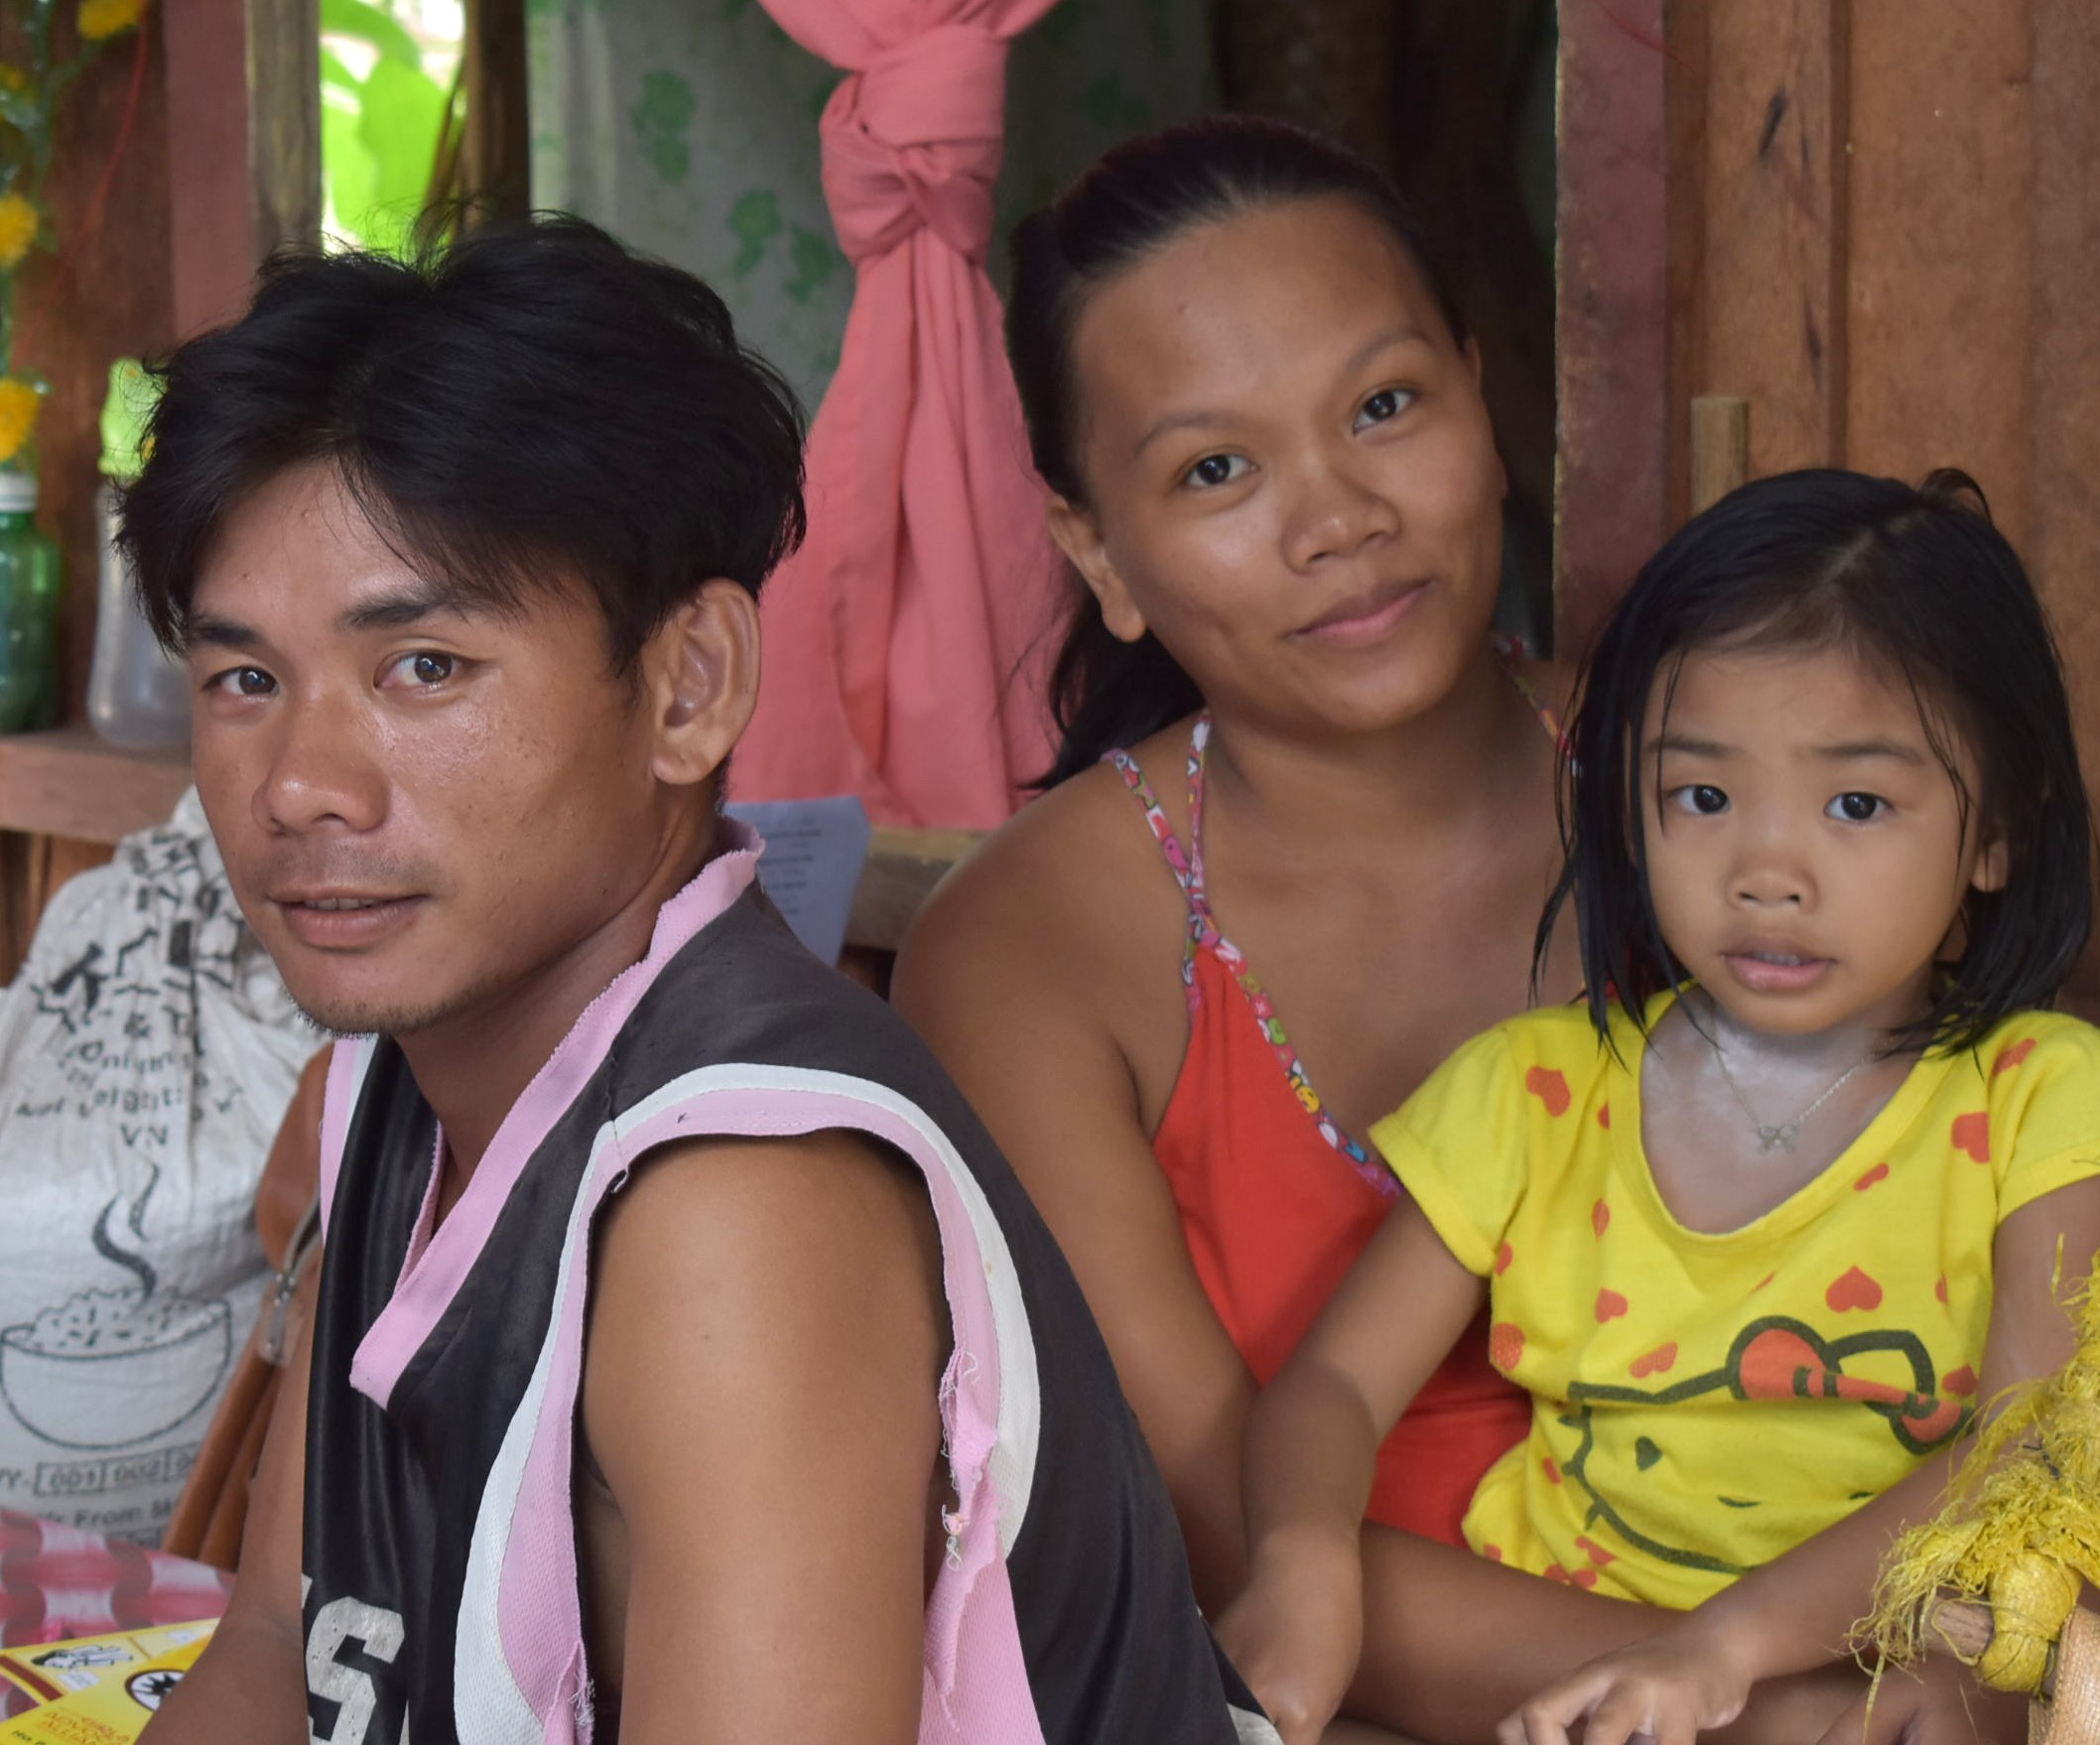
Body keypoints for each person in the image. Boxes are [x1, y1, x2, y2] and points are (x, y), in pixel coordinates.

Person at [127, 217, 1268, 1744]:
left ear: (690, 685)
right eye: (244, 680)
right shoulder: (395, 1086)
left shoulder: (739, 1203)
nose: (302, 785)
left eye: (423, 669)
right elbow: (282, 1638)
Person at [893, 118, 1863, 1744]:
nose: (1333, 514)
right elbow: (1209, 1521)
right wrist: (1776, 1710)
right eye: (1214, 468)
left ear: (1485, 409)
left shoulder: (1719, 810)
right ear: (1093, 554)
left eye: (1382, 405)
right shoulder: (1027, 945)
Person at [1221, 468, 2100, 1745]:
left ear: (1996, 833)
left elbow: (2027, 1458)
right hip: (1558, 1666)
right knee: (1333, 1573)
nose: (1768, 873)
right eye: (1702, 797)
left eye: (1857, 804)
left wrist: (1729, 1652)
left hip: (1876, 1661)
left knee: (1989, 1672)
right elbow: (1331, 1385)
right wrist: (1303, 1556)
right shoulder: (1537, 1091)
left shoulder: (2045, 1096)